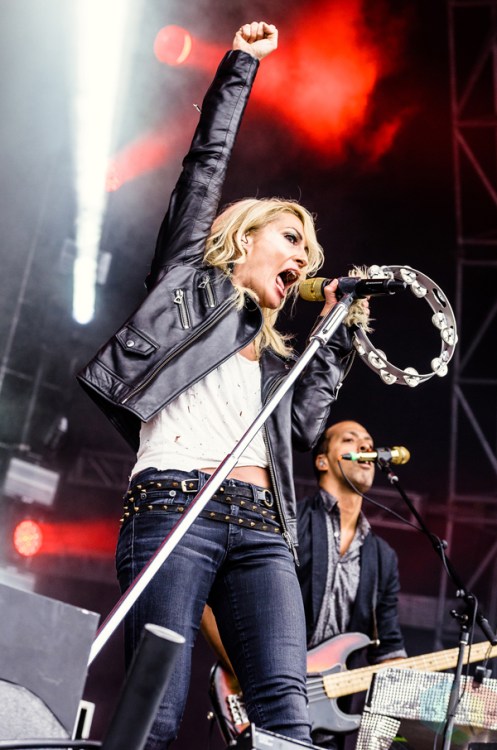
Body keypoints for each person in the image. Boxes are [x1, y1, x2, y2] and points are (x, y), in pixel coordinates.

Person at [77, 22, 358, 749]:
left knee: (286, 715)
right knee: (159, 708)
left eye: (311, 252)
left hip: (264, 529)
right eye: (292, 239)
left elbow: (304, 430)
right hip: (176, 504)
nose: (305, 258)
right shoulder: (185, 288)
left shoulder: (273, 357)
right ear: (244, 237)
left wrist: (336, 336)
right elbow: (205, 166)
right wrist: (240, 64)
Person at [296, 419, 407, 749]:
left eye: (368, 442)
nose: (365, 446)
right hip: (269, 704)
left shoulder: (383, 558)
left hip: (328, 724)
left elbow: (388, 649)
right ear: (322, 461)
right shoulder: (291, 522)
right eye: (349, 439)